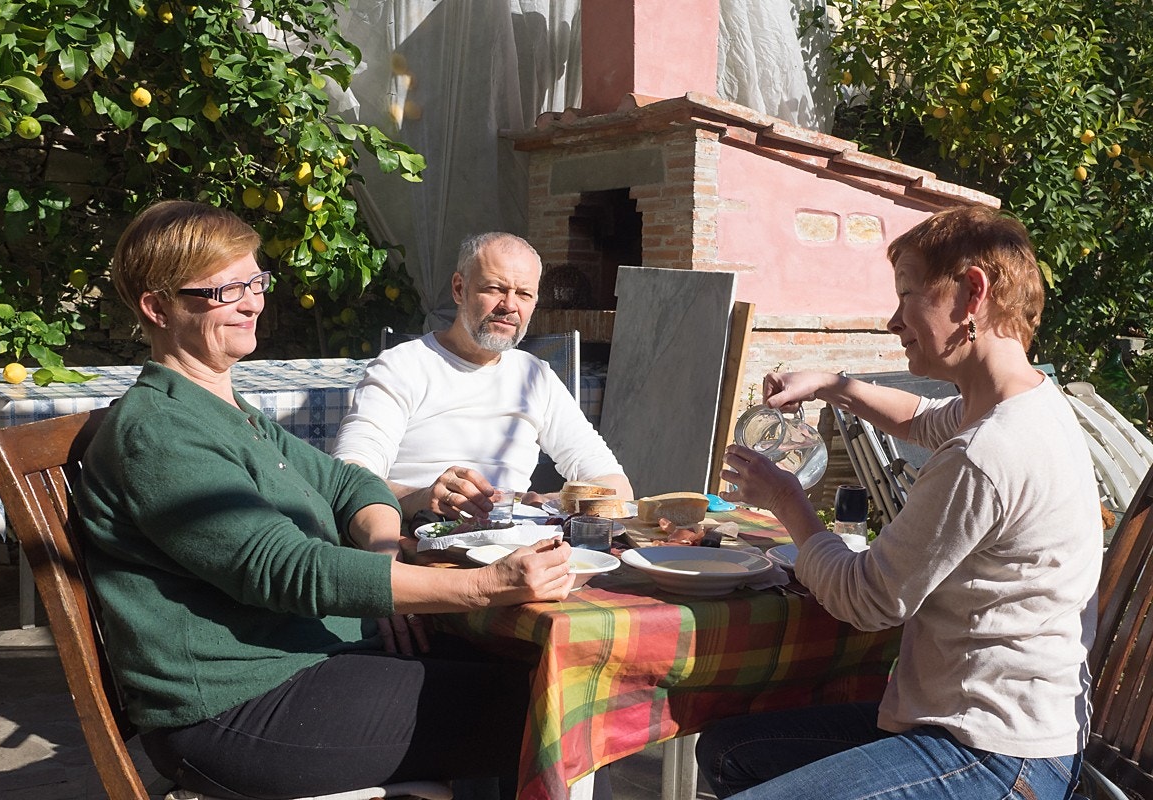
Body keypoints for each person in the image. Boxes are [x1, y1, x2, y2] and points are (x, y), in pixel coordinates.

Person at [75, 201, 575, 800]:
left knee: (528, 666)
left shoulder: (226, 412)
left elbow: (348, 484)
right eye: (224, 290)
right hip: (235, 709)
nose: (251, 303)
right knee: (549, 706)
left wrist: (384, 554)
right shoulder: (159, 431)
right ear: (157, 309)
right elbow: (288, 570)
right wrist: (484, 586)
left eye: (254, 282)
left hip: (305, 657)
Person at [697, 205, 1101, 800]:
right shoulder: (1028, 402)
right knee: (728, 751)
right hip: (997, 726)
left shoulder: (987, 453)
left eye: (907, 294)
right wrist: (832, 384)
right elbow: (920, 419)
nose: (893, 320)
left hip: (993, 751)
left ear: (972, 293)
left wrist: (786, 499)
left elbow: (867, 599)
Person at [332, 231, 632, 520]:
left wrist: (547, 504)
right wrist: (418, 498)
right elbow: (348, 476)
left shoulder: (536, 378)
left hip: (513, 539)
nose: (509, 305)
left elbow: (615, 484)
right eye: (494, 288)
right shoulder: (402, 366)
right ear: (459, 289)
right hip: (415, 532)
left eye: (524, 294)